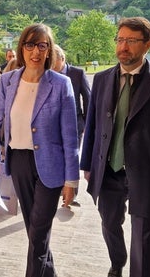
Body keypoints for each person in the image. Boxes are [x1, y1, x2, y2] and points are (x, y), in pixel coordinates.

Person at [80, 17, 150, 277]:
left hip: (147, 172)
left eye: (131, 41)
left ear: (147, 45)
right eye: (120, 40)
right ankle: (117, 261)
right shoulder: (101, 79)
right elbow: (93, 126)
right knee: (109, 224)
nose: (123, 47)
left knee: (144, 238)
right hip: (108, 171)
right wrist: (87, 165)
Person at [0, 24, 80, 277]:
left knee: (38, 231)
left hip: (51, 166)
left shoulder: (61, 84)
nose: (35, 51)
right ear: (22, 48)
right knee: (33, 228)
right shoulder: (7, 81)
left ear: (49, 50)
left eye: (42, 45)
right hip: (19, 161)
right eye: (30, 45)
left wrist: (72, 180)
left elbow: (70, 137)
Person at [52, 45, 90, 207]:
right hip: (52, 125)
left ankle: (72, 195)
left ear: (62, 59)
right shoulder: (47, 74)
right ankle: (57, 190)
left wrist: (87, 124)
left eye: (54, 61)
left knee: (72, 157)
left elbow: (88, 99)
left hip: (74, 124)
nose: (51, 65)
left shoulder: (77, 73)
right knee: (56, 157)